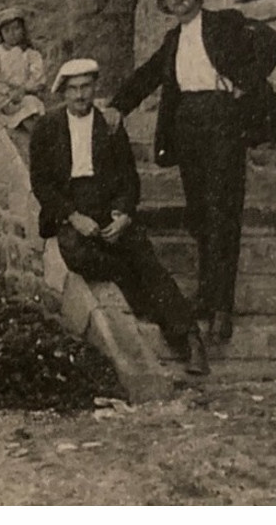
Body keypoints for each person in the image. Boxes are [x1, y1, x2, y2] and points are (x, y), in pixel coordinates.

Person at [111, 0, 276, 345]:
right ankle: (206, 298)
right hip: (187, 124)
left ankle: (222, 308)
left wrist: (245, 83)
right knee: (200, 213)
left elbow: (273, 41)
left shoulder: (225, 23)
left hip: (222, 118)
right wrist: (116, 107)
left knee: (223, 210)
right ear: (163, 2)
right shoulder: (173, 39)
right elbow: (148, 76)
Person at [31, 60, 208, 375]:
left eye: (86, 87)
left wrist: (124, 214)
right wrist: (73, 216)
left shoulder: (110, 124)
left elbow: (129, 177)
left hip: (107, 203)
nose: (80, 95)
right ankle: (133, 283)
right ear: (63, 93)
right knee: (80, 254)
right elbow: (41, 183)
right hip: (71, 205)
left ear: (95, 88)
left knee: (144, 256)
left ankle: (190, 339)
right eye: (73, 89)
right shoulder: (47, 127)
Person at [0, 7, 45, 131]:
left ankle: (36, 137)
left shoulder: (31, 54)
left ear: (23, 30)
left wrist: (23, 90)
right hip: (2, 97)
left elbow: (38, 78)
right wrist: (8, 92)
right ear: (1, 34)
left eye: (16, 28)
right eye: (7, 30)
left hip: (23, 95)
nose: (12, 33)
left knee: (31, 106)